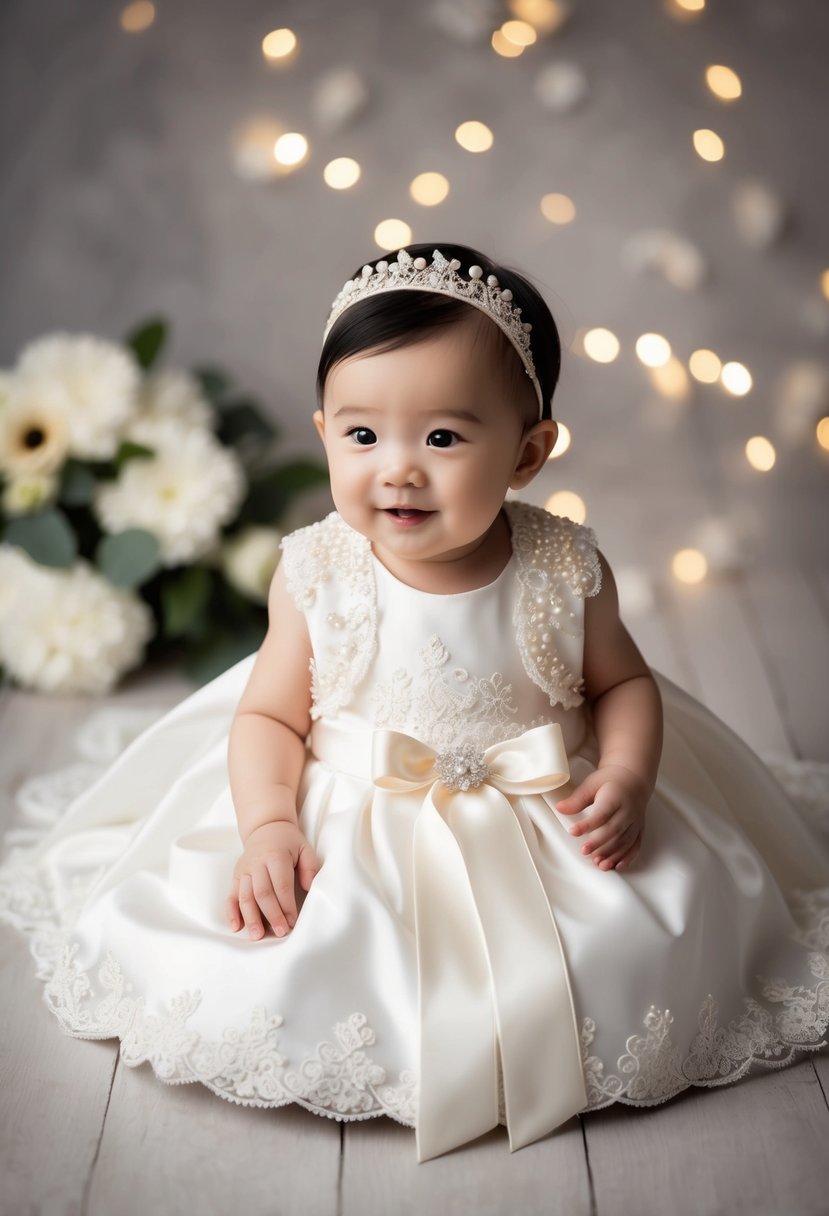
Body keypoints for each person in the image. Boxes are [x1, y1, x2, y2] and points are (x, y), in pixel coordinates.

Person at [1, 242, 828, 1166]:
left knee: (632, 952)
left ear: (527, 453)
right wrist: (270, 824)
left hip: (543, 808)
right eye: (362, 436)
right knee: (271, 961)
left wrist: (629, 776)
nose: (397, 470)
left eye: (441, 438)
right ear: (323, 432)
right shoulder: (317, 572)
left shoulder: (563, 569)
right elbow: (270, 718)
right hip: (351, 811)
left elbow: (623, 685)